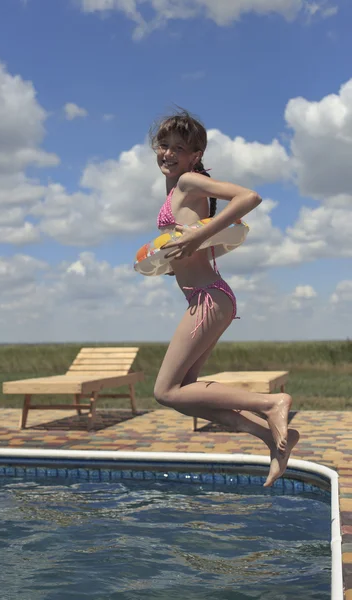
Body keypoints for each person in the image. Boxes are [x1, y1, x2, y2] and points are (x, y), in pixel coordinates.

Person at [149, 109, 299, 487]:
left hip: (207, 299)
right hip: (209, 297)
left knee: (165, 391)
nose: (168, 154)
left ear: (194, 156)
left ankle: (271, 404)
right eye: (163, 145)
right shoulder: (178, 188)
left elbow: (249, 197)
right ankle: (272, 439)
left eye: (178, 148)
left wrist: (199, 237)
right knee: (192, 396)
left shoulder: (187, 181)